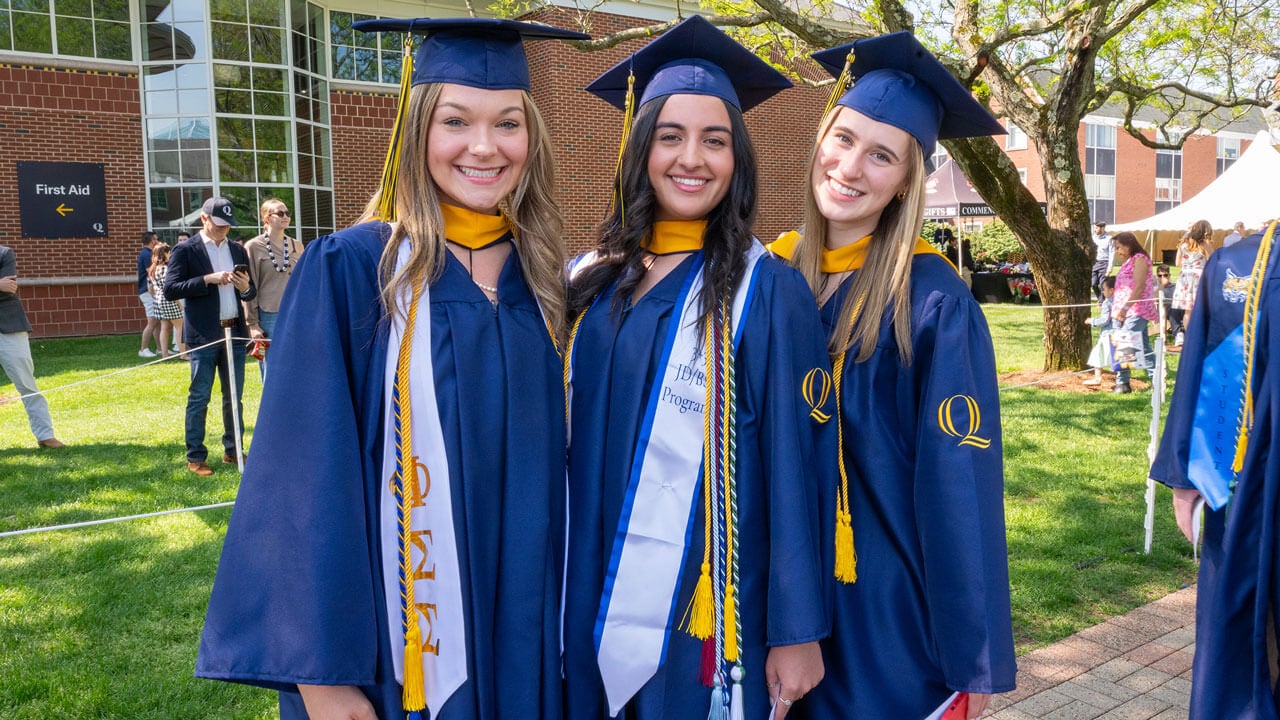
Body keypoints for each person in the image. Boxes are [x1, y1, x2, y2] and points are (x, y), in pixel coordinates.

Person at [195, 18, 587, 720]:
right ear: (416, 133)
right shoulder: (356, 270)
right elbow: (299, 477)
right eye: (456, 121)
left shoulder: (549, 284)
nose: (483, 146)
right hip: (398, 641)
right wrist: (322, 679)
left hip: (527, 636)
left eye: (507, 123)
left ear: (532, 139)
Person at [563, 16, 834, 719]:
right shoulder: (590, 279)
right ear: (639, 149)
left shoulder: (766, 289)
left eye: (715, 140)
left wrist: (797, 630)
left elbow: (798, 460)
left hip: (703, 599)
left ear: (737, 158)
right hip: (583, 575)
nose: (693, 158)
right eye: (670, 136)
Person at [769, 31, 1016, 720]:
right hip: (773, 600)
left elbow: (958, 488)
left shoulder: (933, 303)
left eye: (882, 155)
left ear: (909, 180)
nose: (851, 166)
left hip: (884, 618)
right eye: (843, 139)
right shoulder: (772, 279)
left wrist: (968, 650)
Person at [1149, 218, 1278, 718]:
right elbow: (1203, 365)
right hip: (1246, 481)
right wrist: (1186, 475)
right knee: (1235, 628)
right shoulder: (1239, 264)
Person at [163, 197, 256, 476]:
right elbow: (171, 289)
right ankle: (196, 456)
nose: (224, 230)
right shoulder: (185, 250)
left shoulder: (238, 251)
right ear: (204, 220)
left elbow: (250, 294)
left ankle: (233, 450)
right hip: (204, 335)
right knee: (199, 396)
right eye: (218, 225)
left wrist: (246, 287)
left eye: (228, 226)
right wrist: (207, 280)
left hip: (234, 333)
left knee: (233, 397)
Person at [0, 244, 65, 448]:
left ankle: (45, 435)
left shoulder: (4, 253)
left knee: (26, 383)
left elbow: (8, 290)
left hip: (9, 326)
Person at [242, 197, 304, 381]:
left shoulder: (297, 245)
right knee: (272, 368)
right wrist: (252, 323)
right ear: (267, 218)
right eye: (280, 213)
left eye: (287, 213)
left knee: (296, 364)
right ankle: (271, 409)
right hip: (269, 314)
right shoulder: (253, 247)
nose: (285, 216)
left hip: (296, 313)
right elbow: (248, 287)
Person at [1110, 232, 1158, 393]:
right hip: (1123, 310)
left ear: (1128, 244)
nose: (1117, 251)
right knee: (1144, 347)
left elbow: (1139, 287)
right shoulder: (1129, 261)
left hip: (1137, 310)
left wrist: (1125, 308)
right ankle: (1156, 380)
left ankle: (1122, 383)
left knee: (1125, 341)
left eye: (1119, 247)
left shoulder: (1140, 259)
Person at [1172, 219, 1213, 345]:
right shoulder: (1204, 244)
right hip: (1199, 276)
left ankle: (1189, 336)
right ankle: (1202, 335)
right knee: (1202, 308)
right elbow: (1212, 259)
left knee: (1188, 311)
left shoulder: (1183, 244)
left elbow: (1177, 263)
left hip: (1185, 277)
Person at [148, 243, 186, 360]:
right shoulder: (166, 269)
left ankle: (164, 355)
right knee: (180, 326)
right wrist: (178, 303)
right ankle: (183, 354)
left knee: (165, 327)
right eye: (169, 252)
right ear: (164, 253)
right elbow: (169, 288)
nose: (170, 255)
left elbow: (150, 289)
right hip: (169, 300)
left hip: (158, 300)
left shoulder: (153, 269)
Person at [1084, 276, 1117, 386]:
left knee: (1098, 354)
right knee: (1117, 357)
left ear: (1111, 290)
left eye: (1103, 289)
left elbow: (1105, 320)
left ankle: (1098, 378)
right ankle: (1121, 378)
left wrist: (1091, 321)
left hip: (1108, 335)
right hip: (1118, 334)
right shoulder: (1120, 301)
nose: (1102, 292)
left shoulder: (1107, 303)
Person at [136, 230, 161, 357]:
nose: (158, 241)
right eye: (156, 239)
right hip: (147, 292)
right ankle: (143, 349)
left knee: (157, 321)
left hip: (151, 292)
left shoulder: (148, 253)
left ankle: (160, 349)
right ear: (152, 241)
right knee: (152, 322)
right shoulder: (146, 254)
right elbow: (151, 273)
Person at [1154, 263, 1182, 346]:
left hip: (1179, 311)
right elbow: (1154, 299)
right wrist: (1162, 285)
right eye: (1160, 275)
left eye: (1165, 275)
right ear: (1157, 276)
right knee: (1172, 308)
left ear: (1169, 276)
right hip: (1164, 313)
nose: (1162, 277)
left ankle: (1180, 335)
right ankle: (1178, 335)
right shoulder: (1156, 288)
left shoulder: (1175, 286)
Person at [1091, 221, 1115, 300]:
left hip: (1104, 263)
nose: (1095, 230)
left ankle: (1102, 303)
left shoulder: (1109, 238)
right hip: (1095, 263)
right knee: (1093, 284)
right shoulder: (1093, 237)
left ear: (1102, 228)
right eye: (1094, 228)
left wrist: (1109, 268)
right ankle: (1100, 299)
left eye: (1097, 228)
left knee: (1102, 285)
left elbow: (1112, 253)